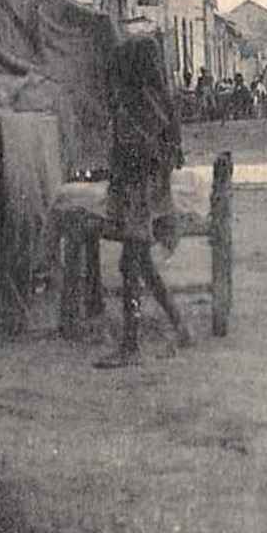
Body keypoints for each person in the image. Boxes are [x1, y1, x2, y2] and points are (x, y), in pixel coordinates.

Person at [96, 35, 193, 368]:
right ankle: (180, 325)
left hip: (138, 195)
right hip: (154, 195)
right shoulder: (163, 101)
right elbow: (170, 154)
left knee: (130, 265)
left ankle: (131, 344)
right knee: (140, 264)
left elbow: (136, 152)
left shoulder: (135, 106)